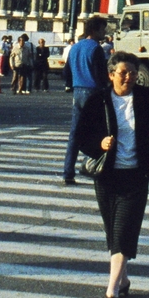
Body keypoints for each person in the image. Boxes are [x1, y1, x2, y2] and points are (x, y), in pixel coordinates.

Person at [73, 51, 149, 298]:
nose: (129, 77)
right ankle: (122, 280)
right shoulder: (98, 100)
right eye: (123, 73)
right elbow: (81, 135)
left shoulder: (146, 98)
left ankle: (111, 290)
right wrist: (100, 143)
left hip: (136, 173)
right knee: (113, 229)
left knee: (123, 230)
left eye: (133, 73)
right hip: (107, 175)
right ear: (111, 75)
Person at [62, 17, 110, 184]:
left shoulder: (75, 47)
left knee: (75, 133)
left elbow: (66, 73)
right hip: (93, 92)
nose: (104, 32)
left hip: (77, 91)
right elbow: (100, 75)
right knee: (99, 132)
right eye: (103, 29)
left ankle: (68, 171)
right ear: (94, 30)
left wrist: (73, 82)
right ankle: (95, 167)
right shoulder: (96, 49)